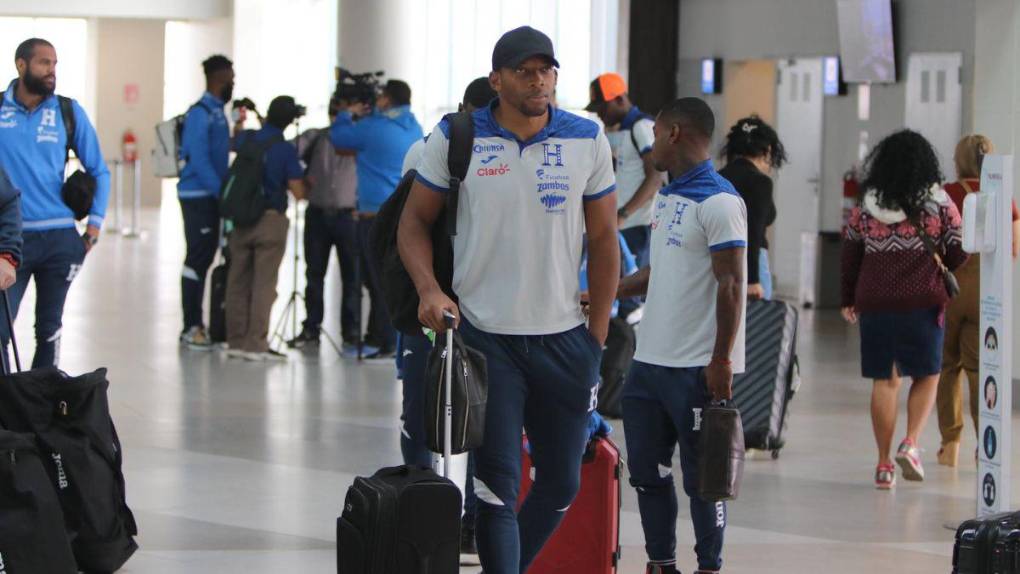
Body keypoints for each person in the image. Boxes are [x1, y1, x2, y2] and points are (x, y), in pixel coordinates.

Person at [398, 26, 620, 573]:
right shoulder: (458, 136)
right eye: (524, 70)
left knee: (562, 484)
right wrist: (429, 288)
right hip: (485, 341)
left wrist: (597, 338)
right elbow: (413, 223)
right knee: (496, 488)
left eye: (546, 69)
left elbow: (603, 239)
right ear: (497, 79)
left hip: (565, 340)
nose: (538, 79)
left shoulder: (586, 139)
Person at [615, 98, 746, 574]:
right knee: (648, 474)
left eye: (656, 135)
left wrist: (721, 360)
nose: (650, 146)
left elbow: (730, 285)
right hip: (649, 363)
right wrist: (599, 292)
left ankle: (708, 565)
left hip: (695, 367)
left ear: (673, 133)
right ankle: (660, 563)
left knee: (703, 480)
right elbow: (657, 272)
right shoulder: (668, 197)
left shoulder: (720, 202)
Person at [395, 75, 495, 557]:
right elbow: (410, 225)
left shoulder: (427, 147)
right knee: (452, 410)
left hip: (460, 307)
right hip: (436, 303)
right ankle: (438, 520)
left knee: (442, 410)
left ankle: (435, 520)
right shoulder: (429, 151)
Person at [841, 130, 968, 489]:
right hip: (923, 301)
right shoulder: (940, 202)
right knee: (928, 374)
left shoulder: (866, 204)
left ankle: (883, 465)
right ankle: (910, 443)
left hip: (875, 301)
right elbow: (958, 251)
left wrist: (847, 298)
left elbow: (850, 256)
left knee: (886, 379)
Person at [0, 38, 110, 368]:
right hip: (11, 240)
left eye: (55, 64)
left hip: (59, 237)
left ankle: (42, 411)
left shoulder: (67, 110)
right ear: (21, 65)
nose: (52, 71)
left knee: (49, 329)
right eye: (44, 63)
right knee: (0, 332)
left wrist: (93, 227)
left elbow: (99, 170)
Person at [936, 135, 1020, 467]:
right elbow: (1014, 246)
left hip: (951, 288)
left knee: (946, 368)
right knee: (979, 370)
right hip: (986, 291)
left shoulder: (948, 193)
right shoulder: (1002, 197)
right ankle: (983, 444)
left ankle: (950, 443)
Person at [223, 96, 305, 362]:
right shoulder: (284, 149)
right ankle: (255, 344)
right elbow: (298, 190)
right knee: (263, 284)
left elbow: (233, 141)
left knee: (237, 280)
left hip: (241, 218)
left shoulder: (248, 138)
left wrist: (241, 121)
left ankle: (234, 340)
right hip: (269, 220)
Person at [286, 96, 360, 349]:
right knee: (314, 274)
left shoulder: (358, 140)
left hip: (349, 216)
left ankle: (351, 331)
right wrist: (300, 180)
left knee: (352, 276)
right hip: (317, 213)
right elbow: (286, 151)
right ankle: (311, 328)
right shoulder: (315, 136)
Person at [177, 54, 234, 350]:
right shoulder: (200, 113)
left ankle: (199, 324)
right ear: (217, 79)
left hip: (210, 195)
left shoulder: (219, 112)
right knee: (197, 258)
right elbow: (197, 158)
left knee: (206, 257)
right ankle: (191, 325)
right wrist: (220, 192)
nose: (232, 85)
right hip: (198, 196)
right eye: (229, 80)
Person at [585, 72, 663, 268]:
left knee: (631, 291)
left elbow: (655, 178)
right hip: (617, 223)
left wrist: (624, 213)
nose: (600, 114)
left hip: (637, 224)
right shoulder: (612, 130)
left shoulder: (642, 127)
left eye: (603, 108)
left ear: (619, 100)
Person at [718, 115, 787, 301]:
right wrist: (753, 280)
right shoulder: (760, 182)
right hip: (750, 263)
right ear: (767, 150)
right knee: (756, 326)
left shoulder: (718, 178)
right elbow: (753, 233)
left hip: (717, 259)